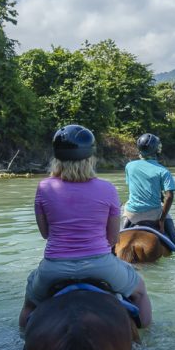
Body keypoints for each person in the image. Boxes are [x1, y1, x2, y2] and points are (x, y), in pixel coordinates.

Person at [20, 125, 152, 329]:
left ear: (56, 158)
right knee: (141, 291)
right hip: (101, 266)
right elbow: (112, 239)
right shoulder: (107, 188)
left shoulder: (44, 187)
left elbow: (45, 233)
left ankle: (21, 344)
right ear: (90, 158)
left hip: (54, 268)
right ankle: (148, 338)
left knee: (29, 304)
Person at [121, 133, 175, 247]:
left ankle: (114, 243)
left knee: (122, 211)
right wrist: (161, 220)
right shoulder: (163, 171)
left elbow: (133, 188)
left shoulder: (129, 166)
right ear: (156, 150)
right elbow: (169, 196)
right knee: (174, 242)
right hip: (154, 215)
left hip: (132, 214)